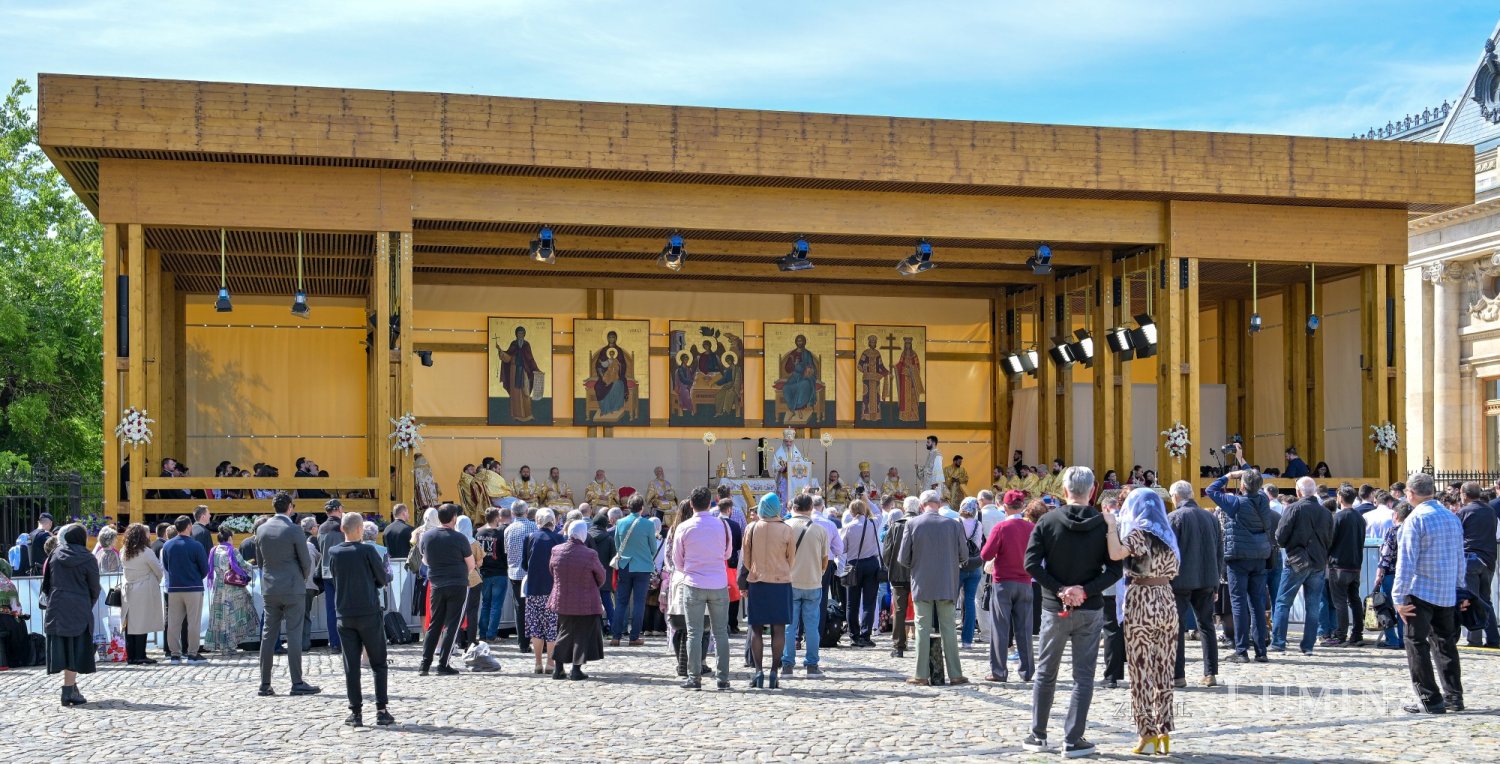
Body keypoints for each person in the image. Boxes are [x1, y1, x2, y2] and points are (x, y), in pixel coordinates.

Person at [1023, 466, 1122, 759]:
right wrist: (1086, 590)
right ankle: (1073, 738)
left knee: (1046, 672)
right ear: (1092, 491)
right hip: (1090, 609)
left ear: (1064, 490)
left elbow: (1030, 564)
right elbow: (1115, 569)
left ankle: (1038, 733)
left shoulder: (1047, 521)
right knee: (1083, 675)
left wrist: (1060, 589)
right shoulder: (1104, 524)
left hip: (1055, 608)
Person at [1103, 489, 1182, 755]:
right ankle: (1164, 732)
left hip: (1142, 602)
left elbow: (1115, 554)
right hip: (1167, 600)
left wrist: (1111, 527)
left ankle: (1147, 734)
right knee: (1164, 670)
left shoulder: (1139, 533)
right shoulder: (1168, 536)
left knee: (1140, 670)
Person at [1394, 473, 1469, 714]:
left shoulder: (1415, 520)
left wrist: (1398, 597)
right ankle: (1454, 696)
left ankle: (1430, 698)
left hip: (1420, 590)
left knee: (1416, 643)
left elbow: (1405, 562)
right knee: (1445, 643)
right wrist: (1460, 589)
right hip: (1446, 590)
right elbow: (1460, 557)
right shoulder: (1451, 517)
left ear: (1411, 494)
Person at [1206, 450, 1277, 662]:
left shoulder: (1235, 503)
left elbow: (1211, 489)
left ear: (1243, 486)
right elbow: (1254, 477)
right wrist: (1244, 468)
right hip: (1260, 556)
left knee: (1238, 603)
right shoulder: (1264, 500)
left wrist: (1228, 477)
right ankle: (1261, 651)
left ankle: (1241, 650)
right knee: (1257, 603)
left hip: (1238, 557)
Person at [325, 511, 394, 726]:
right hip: (368, 611)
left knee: (351, 665)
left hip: (345, 613)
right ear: (358, 529)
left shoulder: (334, 552)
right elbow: (382, 579)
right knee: (378, 663)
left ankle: (355, 713)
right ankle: (381, 710)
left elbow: (334, 578)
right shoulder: (367, 550)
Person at [897, 489, 968, 686]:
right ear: (939, 503)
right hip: (947, 583)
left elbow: (903, 558)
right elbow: (964, 555)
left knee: (921, 628)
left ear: (921, 506)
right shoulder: (954, 525)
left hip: (922, 583)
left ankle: (921, 674)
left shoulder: (912, 524)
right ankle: (955, 673)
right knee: (949, 629)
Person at [254, 492, 318, 694]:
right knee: (294, 634)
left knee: (268, 636)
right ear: (289, 507)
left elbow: (260, 562)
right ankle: (297, 682)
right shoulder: (293, 529)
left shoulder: (261, 529)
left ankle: (265, 684)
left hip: (270, 587)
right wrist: (301, 578)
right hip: (293, 587)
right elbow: (306, 562)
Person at [673, 487, 733, 690]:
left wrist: (691, 569)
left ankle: (694, 677)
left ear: (691, 504)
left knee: (694, 633)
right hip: (718, 583)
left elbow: (677, 561)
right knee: (720, 633)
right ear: (711, 503)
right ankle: (723, 678)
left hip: (694, 583)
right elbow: (727, 553)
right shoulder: (722, 525)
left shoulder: (684, 527)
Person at [1166, 481, 1222, 688]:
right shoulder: (1211, 517)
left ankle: (1178, 675)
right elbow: (1219, 551)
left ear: (1176, 496)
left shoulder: (1174, 518)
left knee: (1177, 627)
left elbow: (1169, 552)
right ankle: (1210, 673)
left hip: (1180, 580)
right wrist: (1216, 581)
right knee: (1206, 626)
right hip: (1207, 578)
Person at [1270, 477, 1333, 656]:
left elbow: (1280, 536)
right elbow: (1330, 539)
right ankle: (1308, 646)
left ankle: (1279, 642)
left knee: (1283, 602)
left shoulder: (1293, 508)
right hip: (1318, 562)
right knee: (1313, 606)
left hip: (1297, 560)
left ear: (1298, 492)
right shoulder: (1325, 513)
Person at [978, 488, 1033, 683]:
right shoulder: (1031, 527)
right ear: (1022, 506)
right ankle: (1027, 671)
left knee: (1000, 627)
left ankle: (999, 671)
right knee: (1024, 628)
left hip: (1003, 582)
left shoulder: (1001, 528)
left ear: (1005, 507)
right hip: (1025, 582)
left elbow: (985, 554)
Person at [43, 524, 100, 706]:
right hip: (79, 605)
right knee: (75, 649)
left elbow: (46, 583)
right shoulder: (88, 557)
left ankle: (71, 687)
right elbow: (94, 587)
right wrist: (87, 604)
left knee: (66, 648)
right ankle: (68, 691)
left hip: (57, 605)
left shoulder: (55, 555)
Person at [744, 492, 796, 689]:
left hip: (758, 580)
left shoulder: (752, 527)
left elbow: (747, 559)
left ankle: (758, 671)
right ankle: (774, 671)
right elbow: (791, 558)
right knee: (779, 628)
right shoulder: (786, 529)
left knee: (756, 628)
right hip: (780, 581)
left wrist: (757, 570)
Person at [418, 503, 475, 676]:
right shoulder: (459, 538)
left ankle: (425, 664)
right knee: (452, 625)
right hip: (457, 583)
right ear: (453, 519)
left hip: (436, 583)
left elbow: (425, 560)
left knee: (435, 623)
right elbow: (471, 564)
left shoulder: (427, 536)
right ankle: (443, 663)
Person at [781, 493, 832, 679]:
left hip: (789, 582)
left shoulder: (785, 527)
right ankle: (812, 665)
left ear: (793, 507)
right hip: (812, 582)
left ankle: (787, 665)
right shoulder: (819, 530)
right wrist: (817, 574)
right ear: (811, 508)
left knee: (789, 625)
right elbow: (825, 561)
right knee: (811, 626)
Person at [550, 519, 607, 681]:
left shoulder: (556, 550)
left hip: (561, 599)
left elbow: (551, 572)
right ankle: (576, 669)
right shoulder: (590, 554)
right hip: (585, 601)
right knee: (581, 634)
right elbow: (601, 576)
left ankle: (559, 668)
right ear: (583, 534)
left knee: (563, 632)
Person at [521, 509, 566, 674]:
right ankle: (551, 663)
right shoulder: (559, 538)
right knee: (552, 626)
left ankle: (538, 663)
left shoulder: (530, 537)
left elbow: (524, 565)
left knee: (536, 626)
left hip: (534, 588)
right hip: (554, 589)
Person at [1455, 481, 1499, 648]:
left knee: (1472, 599)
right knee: (1486, 600)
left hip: (1470, 558)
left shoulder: (1464, 511)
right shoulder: (1490, 510)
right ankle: (1493, 638)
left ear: (1464, 495)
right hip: (1488, 559)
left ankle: (1474, 638)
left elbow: (1457, 535)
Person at [160, 515, 209, 664]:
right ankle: (192, 653)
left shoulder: (167, 546)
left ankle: (174, 654)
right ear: (188, 527)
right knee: (193, 622)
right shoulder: (196, 545)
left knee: (173, 623)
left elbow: (167, 567)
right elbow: (204, 569)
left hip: (174, 588)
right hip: (193, 587)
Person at [1324, 484, 1368, 647]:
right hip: (1355, 564)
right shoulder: (1360, 518)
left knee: (1340, 601)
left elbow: (1330, 540)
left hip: (1339, 564)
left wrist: (1326, 555)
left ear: (1340, 498)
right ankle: (1357, 633)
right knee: (1354, 599)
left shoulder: (1338, 517)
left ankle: (1340, 634)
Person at [611, 495, 657, 647]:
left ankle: (616, 636)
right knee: (639, 603)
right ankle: (634, 637)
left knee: (621, 602)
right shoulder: (648, 524)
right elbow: (653, 548)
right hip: (643, 567)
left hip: (625, 565)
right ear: (641, 508)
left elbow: (617, 546)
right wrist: (645, 557)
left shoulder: (620, 522)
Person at [205, 528, 258, 655]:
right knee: (233, 616)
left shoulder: (213, 550)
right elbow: (244, 566)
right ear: (229, 538)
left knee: (220, 617)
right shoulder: (232, 551)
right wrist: (254, 568)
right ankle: (230, 644)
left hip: (219, 588)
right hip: (233, 588)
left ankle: (222, 645)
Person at [119, 523, 164, 666]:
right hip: (144, 589)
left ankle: (131, 656)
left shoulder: (123, 550)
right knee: (142, 624)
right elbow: (158, 571)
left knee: (130, 624)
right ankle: (140, 655)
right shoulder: (146, 551)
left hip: (129, 589)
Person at [841, 498, 882, 648]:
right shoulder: (873, 523)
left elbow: (842, 548)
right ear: (864, 510)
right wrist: (867, 499)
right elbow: (878, 512)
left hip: (854, 565)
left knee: (852, 602)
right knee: (869, 602)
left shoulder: (848, 527)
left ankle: (854, 635)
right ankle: (866, 635)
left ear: (851, 512)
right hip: (871, 563)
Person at [1373, 502, 1411, 650]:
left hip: (1390, 574)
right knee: (1404, 606)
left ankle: (1392, 639)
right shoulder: (1412, 530)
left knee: (1385, 606)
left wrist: (1379, 574)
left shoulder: (1393, 531)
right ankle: (1405, 638)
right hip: (1407, 574)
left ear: (1396, 515)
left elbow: (1386, 555)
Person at [880, 497, 914, 659]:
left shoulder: (896, 526)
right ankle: (921, 643)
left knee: (899, 610)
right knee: (922, 608)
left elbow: (886, 551)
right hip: (918, 574)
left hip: (899, 573)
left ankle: (899, 646)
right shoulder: (920, 524)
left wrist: (891, 566)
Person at [504, 503, 538, 653]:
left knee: (520, 608)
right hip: (532, 572)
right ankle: (538, 640)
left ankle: (523, 644)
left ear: (512, 513)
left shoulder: (508, 529)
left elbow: (507, 551)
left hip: (515, 573)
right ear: (526, 511)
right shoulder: (533, 527)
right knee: (537, 606)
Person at [474, 507, 510, 642]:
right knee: (496, 605)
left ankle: (482, 634)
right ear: (496, 518)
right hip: (499, 572)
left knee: (485, 604)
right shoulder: (500, 534)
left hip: (484, 572)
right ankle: (491, 635)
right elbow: (504, 554)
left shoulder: (479, 534)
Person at [956, 497, 985, 648]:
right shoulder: (978, 524)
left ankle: (949, 638)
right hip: (975, 565)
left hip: (959, 565)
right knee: (970, 601)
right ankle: (967, 640)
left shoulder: (956, 522)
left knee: (951, 601)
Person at [587, 512, 617, 631]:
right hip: (605, 575)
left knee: (591, 604)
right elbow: (613, 558)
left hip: (589, 575)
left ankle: (596, 629)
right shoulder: (609, 539)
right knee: (608, 603)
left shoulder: (586, 537)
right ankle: (614, 628)